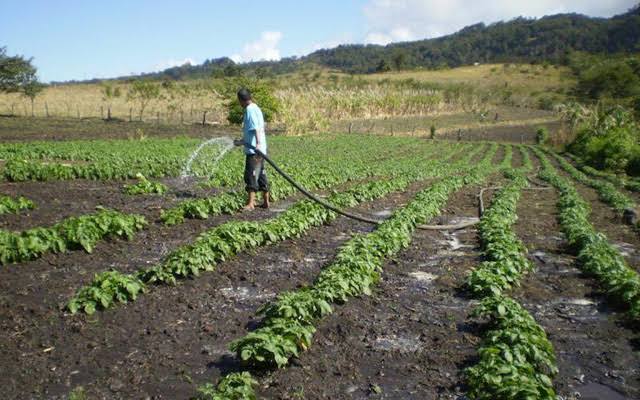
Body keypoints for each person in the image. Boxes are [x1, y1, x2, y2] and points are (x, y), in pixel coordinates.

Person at [233, 88, 270, 210]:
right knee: (261, 175)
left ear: (241, 100)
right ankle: (265, 202)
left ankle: (250, 204)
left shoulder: (249, 110)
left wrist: (258, 144)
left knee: (251, 175)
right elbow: (254, 130)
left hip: (255, 150)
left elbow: (256, 129)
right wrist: (242, 142)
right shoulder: (256, 108)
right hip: (259, 149)